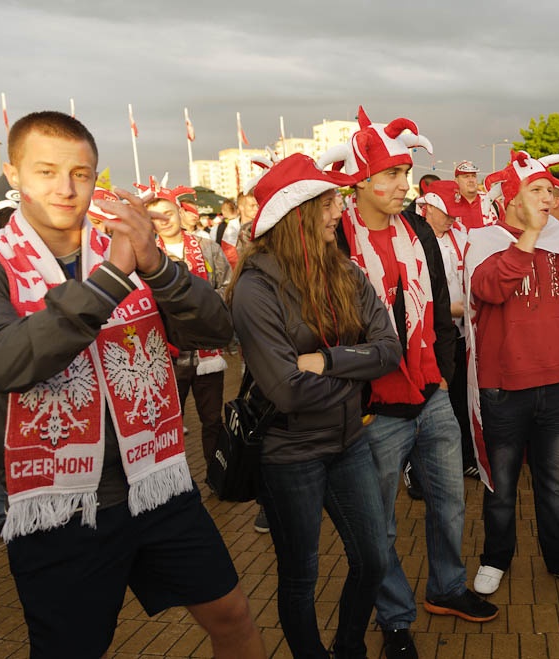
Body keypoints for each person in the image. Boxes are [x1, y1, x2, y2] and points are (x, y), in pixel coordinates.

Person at [0, 111, 263, 657]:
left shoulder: (126, 246)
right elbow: (5, 361)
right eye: (46, 170)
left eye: (81, 173)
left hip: (157, 478)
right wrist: (109, 281)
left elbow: (215, 330)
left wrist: (156, 265)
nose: (65, 187)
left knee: (233, 615)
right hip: (59, 502)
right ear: (14, 174)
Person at [318, 107, 497, 659]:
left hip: (429, 391)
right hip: (373, 407)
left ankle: (447, 588)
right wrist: (359, 395)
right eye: (392, 175)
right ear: (361, 183)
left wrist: (440, 375)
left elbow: (439, 308)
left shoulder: (418, 229)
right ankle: (394, 618)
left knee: (449, 504)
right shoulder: (337, 242)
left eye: (405, 174)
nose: (404, 185)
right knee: (382, 526)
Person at [229, 153, 402, 658]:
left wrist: (327, 361)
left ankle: (350, 648)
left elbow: (390, 350)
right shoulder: (255, 288)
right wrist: (358, 377)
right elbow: (285, 389)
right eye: (327, 202)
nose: (337, 211)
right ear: (296, 213)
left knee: (372, 560)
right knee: (301, 575)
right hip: (289, 455)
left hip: (349, 443)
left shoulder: (344, 270)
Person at [467, 151, 559, 596]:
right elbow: (491, 286)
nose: (550, 198)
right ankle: (495, 557)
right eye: (538, 190)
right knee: (502, 485)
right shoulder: (484, 238)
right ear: (512, 196)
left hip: (555, 381)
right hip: (503, 385)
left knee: (552, 485)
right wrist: (529, 233)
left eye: (552, 191)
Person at [145, 185, 231, 469]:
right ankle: (174, 482)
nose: (164, 220)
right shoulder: (143, 254)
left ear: (179, 213)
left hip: (207, 353)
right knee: (169, 423)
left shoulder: (207, 247)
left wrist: (200, 302)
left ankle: (217, 477)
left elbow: (229, 288)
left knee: (212, 421)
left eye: (168, 213)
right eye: (156, 216)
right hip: (167, 356)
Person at [415, 180, 477, 477]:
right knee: (428, 403)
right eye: (447, 212)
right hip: (428, 336)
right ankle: (417, 469)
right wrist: (451, 309)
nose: (453, 218)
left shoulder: (459, 235)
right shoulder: (414, 237)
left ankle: (463, 458)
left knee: (459, 400)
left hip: (459, 335)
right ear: (428, 207)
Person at [454, 160, 497, 229]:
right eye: (466, 176)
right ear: (456, 181)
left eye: (473, 176)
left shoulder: (491, 202)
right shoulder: (451, 203)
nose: (471, 180)